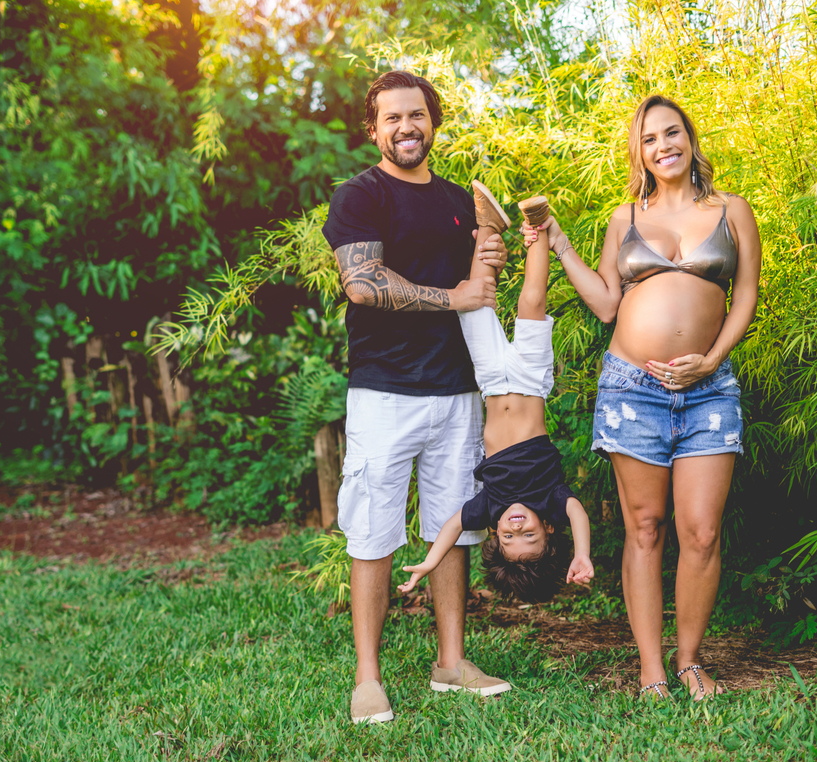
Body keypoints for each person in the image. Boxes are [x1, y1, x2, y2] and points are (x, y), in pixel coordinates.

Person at [523, 95, 761, 700]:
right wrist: (558, 241)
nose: (663, 146)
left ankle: (689, 661)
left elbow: (745, 298)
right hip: (634, 388)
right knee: (646, 528)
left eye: (672, 133)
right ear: (641, 153)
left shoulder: (732, 210)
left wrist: (712, 359)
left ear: (690, 138)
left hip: (709, 388)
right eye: (650, 139)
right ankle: (650, 667)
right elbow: (607, 304)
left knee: (701, 531)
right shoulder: (624, 218)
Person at [321, 70, 515, 724]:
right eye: (393, 118)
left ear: (433, 122)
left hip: (456, 388)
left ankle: (451, 662)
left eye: (417, 115)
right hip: (384, 391)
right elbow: (363, 283)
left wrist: (490, 259)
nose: (406, 128)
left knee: (452, 527)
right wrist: (454, 296)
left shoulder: (457, 200)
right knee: (373, 531)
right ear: (373, 130)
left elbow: (477, 283)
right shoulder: (360, 195)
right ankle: (368, 678)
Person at [398, 195, 595, 603]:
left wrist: (429, 563)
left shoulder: (489, 507)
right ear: (548, 528)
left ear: (495, 533)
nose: (516, 527)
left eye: (509, 537)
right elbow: (577, 512)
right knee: (531, 303)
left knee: (473, 308)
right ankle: (537, 226)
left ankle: (488, 224)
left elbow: (453, 525)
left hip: (490, 382)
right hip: (529, 380)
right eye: (529, 536)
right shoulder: (551, 500)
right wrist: (582, 554)